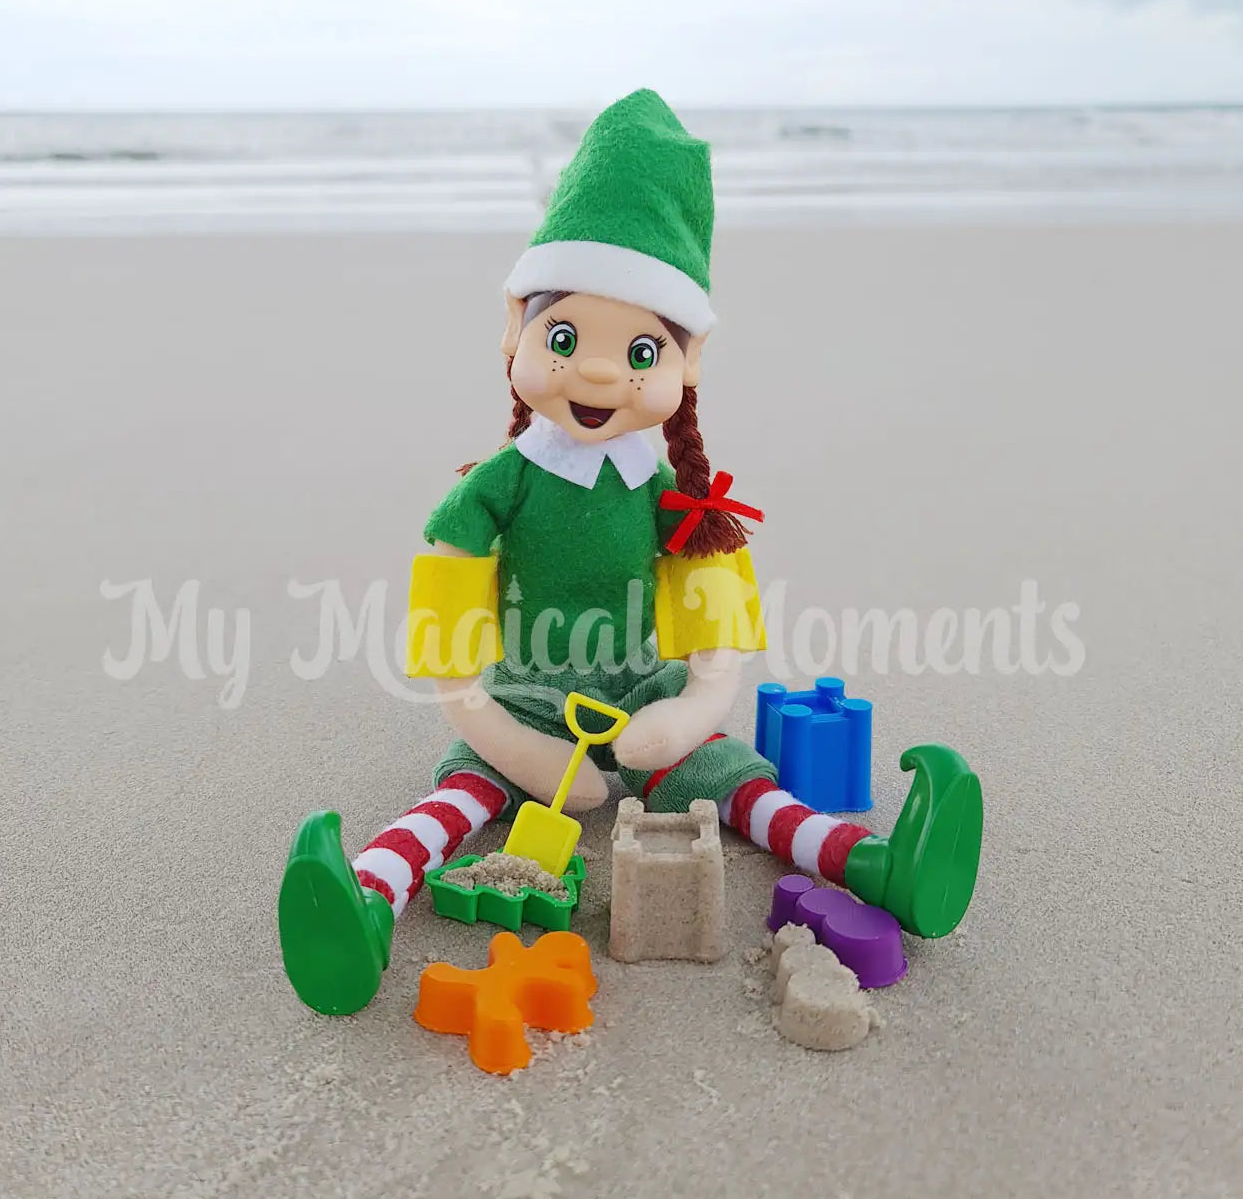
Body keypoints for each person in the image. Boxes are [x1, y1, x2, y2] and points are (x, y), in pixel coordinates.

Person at [277, 90, 982, 1015]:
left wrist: (694, 708)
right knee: (461, 797)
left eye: (640, 350)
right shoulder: (502, 483)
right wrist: (489, 724)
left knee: (735, 783)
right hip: (527, 691)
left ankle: (881, 869)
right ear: (513, 331)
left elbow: (710, 596)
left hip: (642, 685)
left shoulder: (666, 489)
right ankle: (366, 901)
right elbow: (448, 591)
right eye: (564, 338)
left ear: (686, 366)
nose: (601, 372)